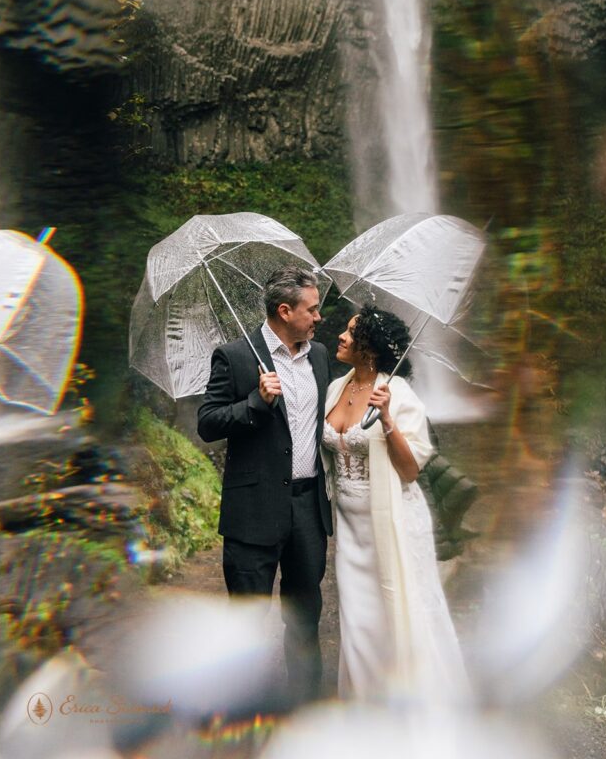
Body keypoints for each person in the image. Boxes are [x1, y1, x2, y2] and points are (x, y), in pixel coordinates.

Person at [197, 266, 332, 705]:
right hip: (253, 513)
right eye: (312, 309)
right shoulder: (234, 356)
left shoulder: (320, 356)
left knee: (306, 617)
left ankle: (306, 708)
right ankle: (248, 708)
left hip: (307, 509)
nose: (319, 317)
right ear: (284, 310)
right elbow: (208, 422)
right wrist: (256, 403)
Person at [321, 304, 469, 705]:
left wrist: (387, 419)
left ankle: (407, 707)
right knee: (358, 620)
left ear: (368, 347)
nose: (341, 336)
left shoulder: (399, 395)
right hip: (349, 529)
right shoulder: (338, 387)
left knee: (399, 611)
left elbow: (409, 471)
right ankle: (364, 709)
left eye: (351, 333)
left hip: (393, 521)